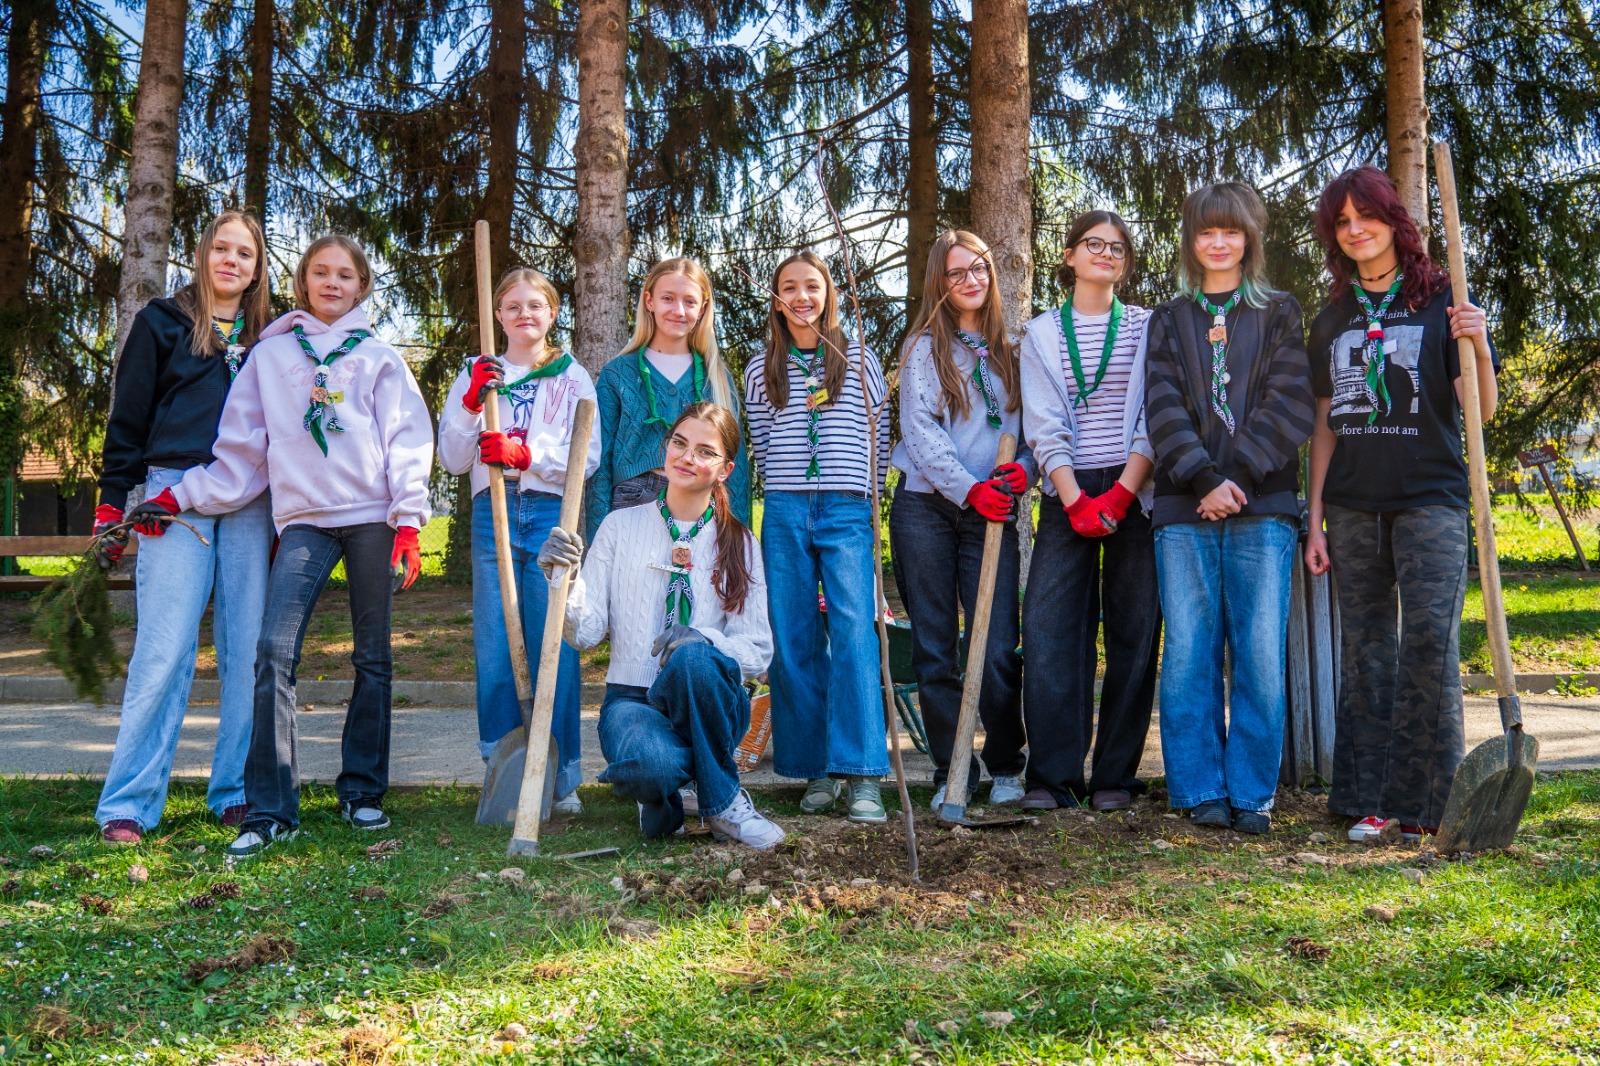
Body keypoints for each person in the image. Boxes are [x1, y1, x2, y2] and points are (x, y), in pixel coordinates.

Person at [160, 234, 435, 858]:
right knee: (272, 651)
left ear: (361, 287)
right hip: (304, 521)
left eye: (345, 275)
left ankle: (362, 790)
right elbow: (242, 452)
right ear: (303, 281)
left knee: (372, 656)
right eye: (321, 272)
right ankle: (272, 807)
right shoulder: (271, 354)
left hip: (372, 519)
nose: (333, 283)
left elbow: (407, 440)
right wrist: (181, 495)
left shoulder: (380, 357)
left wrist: (409, 522)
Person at [1304, 165, 1499, 843]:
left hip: (1431, 502)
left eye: (1367, 216)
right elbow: (1324, 427)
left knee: (1428, 646)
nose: (1355, 230)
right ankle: (1366, 799)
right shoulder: (1332, 317)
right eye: (1342, 221)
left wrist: (1477, 345)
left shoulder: (1445, 301)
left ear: (1394, 220)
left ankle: (1426, 804)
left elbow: (1481, 413)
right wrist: (1315, 520)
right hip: (1352, 507)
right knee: (1365, 650)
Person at [92, 210, 274, 845]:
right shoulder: (162, 322)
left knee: (247, 650)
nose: (231, 261)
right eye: (221, 248)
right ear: (203, 254)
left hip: (250, 498)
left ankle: (237, 791)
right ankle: (129, 803)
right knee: (164, 649)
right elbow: (128, 418)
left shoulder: (273, 337)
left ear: (257, 269)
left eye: (244, 254)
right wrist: (112, 504)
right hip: (173, 495)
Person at [1144, 183, 1314, 835]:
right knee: (1189, 652)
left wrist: (1237, 478)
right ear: (1191, 241)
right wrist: (1203, 479)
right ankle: (1199, 789)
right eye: (1206, 231)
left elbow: (1289, 400)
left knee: (1259, 654)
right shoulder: (1169, 318)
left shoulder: (1279, 311)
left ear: (1250, 239)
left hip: (1262, 505)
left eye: (1231, 231)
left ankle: (1251, 794)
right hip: (1183, 510)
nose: (1219, 242)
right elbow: (1162, 405)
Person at [539, 402, 781, 848]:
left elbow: (758, 651)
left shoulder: (740, 542)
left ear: (726, 469)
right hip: (633, 701)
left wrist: (704, 640)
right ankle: (677, 789)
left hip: (709, 702)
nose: (687, 457)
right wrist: (563, 581)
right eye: (679, 443)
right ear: (666, 447)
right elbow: (586, 634)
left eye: (705, 451)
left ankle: (722, 803)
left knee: (692, 658)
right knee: (649, 765)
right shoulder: (618, 527)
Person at [438, 267, 601, 813]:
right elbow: (452, 459)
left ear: (552, 313)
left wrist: (529, 456)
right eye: (513, 306)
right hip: (495, 510)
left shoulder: (571, 375)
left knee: (553, 638)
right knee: (495, 638)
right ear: (499, 315)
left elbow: (589, 454)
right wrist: (469, 405)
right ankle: (501, 765)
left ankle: (561, 773)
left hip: (552, 510)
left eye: (535, 305)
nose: (524, 314)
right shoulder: (478, 372)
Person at [1018, 210, 1160, 812]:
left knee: (1134, 630)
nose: (1107, 253)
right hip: (1066, 491)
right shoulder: (1040, 333)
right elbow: (1042, 421)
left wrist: (1123, 493)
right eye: (1094, 244)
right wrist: (1074, 497)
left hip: (1136, 489)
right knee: (1048, 628)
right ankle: (1053, 776)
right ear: (1070, 255)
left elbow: (1155, 413)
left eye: (1118, 247)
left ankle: (1113, 777)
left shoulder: (1149, 326)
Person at [744, 250, 892, 823]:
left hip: (846, 507)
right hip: (784, 509)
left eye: (812, 286)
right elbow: (761, 440)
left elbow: (878, 434)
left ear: (829, 293)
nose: (802, 297)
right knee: (793, 635)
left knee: (855, 632)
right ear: (777, 299)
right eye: (789, 287)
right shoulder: (762, 367)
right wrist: (785, 490)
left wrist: (868, 500)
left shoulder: (857, 358)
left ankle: (862, 772)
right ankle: (815, 770)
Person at [888, 230, 1032, 812]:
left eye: (979, 269)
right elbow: (920, 433)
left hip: (992, 512)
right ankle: (954, 771)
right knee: (935, 647)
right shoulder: (924, 348)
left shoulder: (1015, 350)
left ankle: (1007, 763)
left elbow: (1034, 427)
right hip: (927, 507)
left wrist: (1024, 470)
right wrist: (969, 490)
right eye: (956, 272)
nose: (970, 280)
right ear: (939, 283)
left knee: (996, 645)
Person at [586, 257, 751, 541]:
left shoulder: (716, 377)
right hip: (632, 502)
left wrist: (739, 534)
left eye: (689, 301)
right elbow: (601, 465)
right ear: (649, 301)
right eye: (668, 298)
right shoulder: (618, 375)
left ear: (702, 309)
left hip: (703, 502)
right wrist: (598, 536)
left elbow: (736, 465)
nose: (678, 310)